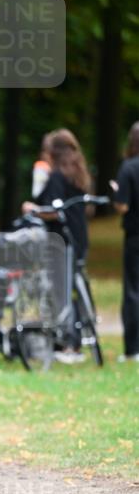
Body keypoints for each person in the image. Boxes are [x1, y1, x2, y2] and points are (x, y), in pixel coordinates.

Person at [22, 128, 94, 364]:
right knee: (74, 286)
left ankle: (69, 343)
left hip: (60, 239)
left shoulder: (56, 177)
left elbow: (53, 210)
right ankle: (79, 338)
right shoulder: (79, 174)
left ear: (52, 152)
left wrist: (32, 209)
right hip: (79, 236)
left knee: (60, 290)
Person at [113, 121, 139, 362]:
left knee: (133, 291)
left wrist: (116, 191)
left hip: (135, 236)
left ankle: (133, 349)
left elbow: (122, 205)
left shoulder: (129, 167)